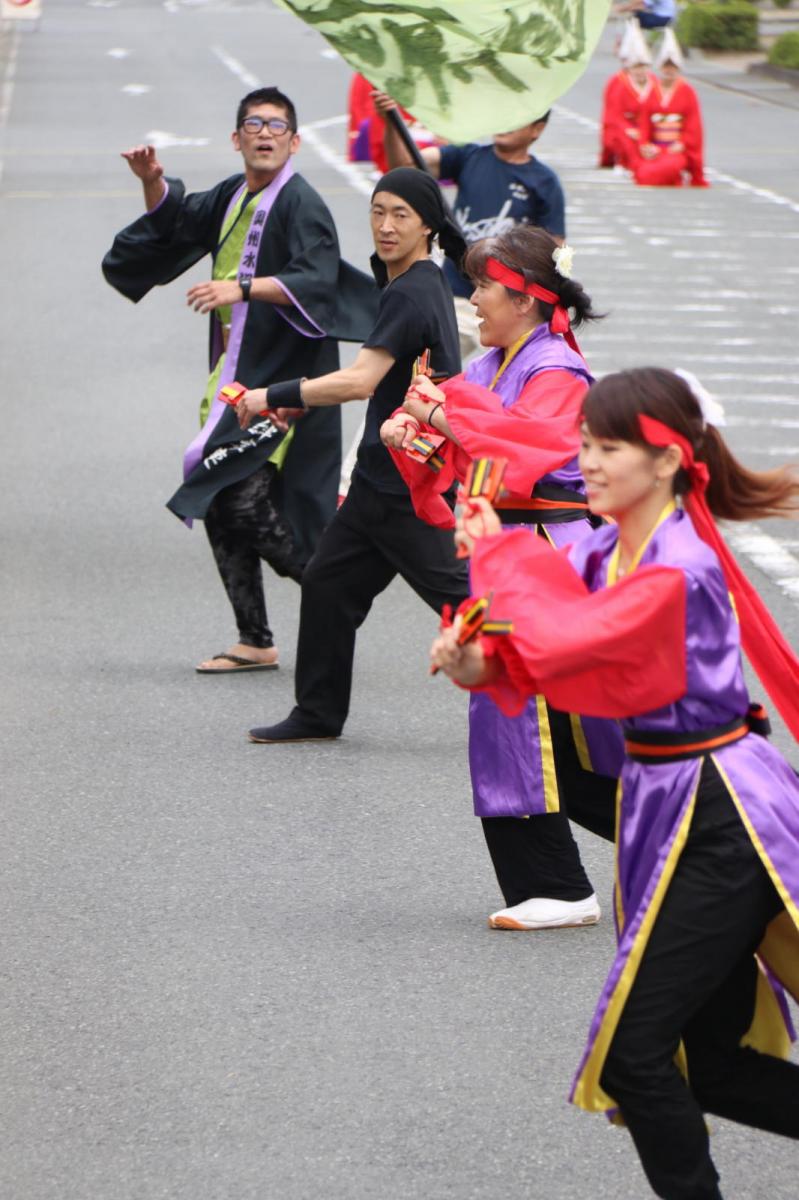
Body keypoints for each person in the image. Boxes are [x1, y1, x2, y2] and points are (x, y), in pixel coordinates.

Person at [432, 367, 799, 1198]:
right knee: (710, 1067)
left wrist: (495, 557)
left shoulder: (678, 566)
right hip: (667, 805)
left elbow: (571, 640)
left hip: (721, 810)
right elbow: (538, 651)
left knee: (637, 1055)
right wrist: (470, 658)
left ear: (666, 460)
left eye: (607, 447)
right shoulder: (603, 545)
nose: (586, 461)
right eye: (585, 444)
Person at [379, 226, 622, 930]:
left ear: (525, 297)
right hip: (510, 551)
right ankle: (667, 844)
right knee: (539, 721)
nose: (475, 297)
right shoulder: (490, 364)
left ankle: (565, 880)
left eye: (485, 285)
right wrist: (415, 433)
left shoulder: (557, 370)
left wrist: (440, 417)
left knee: (531, 716)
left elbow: (520, 450)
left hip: (551, 551)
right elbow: (465, 435)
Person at [102, 87, 377, 673]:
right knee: (220, 497)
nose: (265, 132)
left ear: (294, 141)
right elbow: (174, 224)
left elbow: (317, 279)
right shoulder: (231, 195)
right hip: (232, 378)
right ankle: (254, 638)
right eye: (254, 123)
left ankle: (329, 586)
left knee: (242, 501)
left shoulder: (301, 203)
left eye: (277, 124)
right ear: (237, 139)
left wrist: (242, 288)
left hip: (287, 383)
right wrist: (152, 180)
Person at [234, 167, 470, 743]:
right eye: (378, 211)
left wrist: (274, 396)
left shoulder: (412, 290)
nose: (386, 227)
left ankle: (564, 698)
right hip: (379, 480)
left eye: (401, 216)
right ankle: (317, 713)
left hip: (408, 488)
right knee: (327, 586)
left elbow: (362, 380)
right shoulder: (420, 279)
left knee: (468, 604)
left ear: (427, 227)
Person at [374, 91, 565, 357]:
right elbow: (403, 168)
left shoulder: (545, 182)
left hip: (505, 302)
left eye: (517, 119)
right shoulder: (469, 156)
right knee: (424, 357)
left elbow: (554, 251)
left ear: (537, 129)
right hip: (456, 293)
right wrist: (391, 124)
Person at [634, 30, 708, 188]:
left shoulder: (688, 92)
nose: (669, 70)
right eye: (666, 66)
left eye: (673, 66)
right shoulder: (652, 91)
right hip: (656, 147)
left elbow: (694, 126)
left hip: (676, 147)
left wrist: (683, 143)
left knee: (669, 167)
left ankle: (677, 174)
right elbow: (644, 123)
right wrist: (645, 145)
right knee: (643, 174)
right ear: (660, 68)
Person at [599, 22, 659, 170]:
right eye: (636, 67)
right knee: (628, 143)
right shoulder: (619, 84)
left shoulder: (655, 83)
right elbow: (614, 115)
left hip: (650, 128)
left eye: (643, 67)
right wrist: (629, 129)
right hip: (627, 128)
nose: (640, 71)